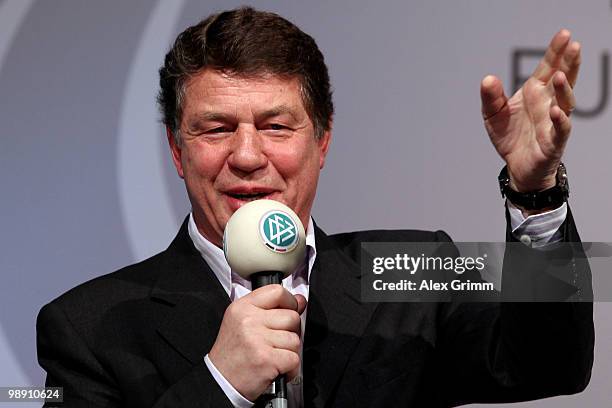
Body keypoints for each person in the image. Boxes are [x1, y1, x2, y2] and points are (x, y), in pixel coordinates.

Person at [36, 7, 593, 408]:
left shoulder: (416, 264)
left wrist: (535, 192)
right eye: (216, 129)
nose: (249, 156)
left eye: (276, 127)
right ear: (177, 152)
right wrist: (219, 384)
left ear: (321, 144)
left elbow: (551, 366)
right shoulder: (86, 326)